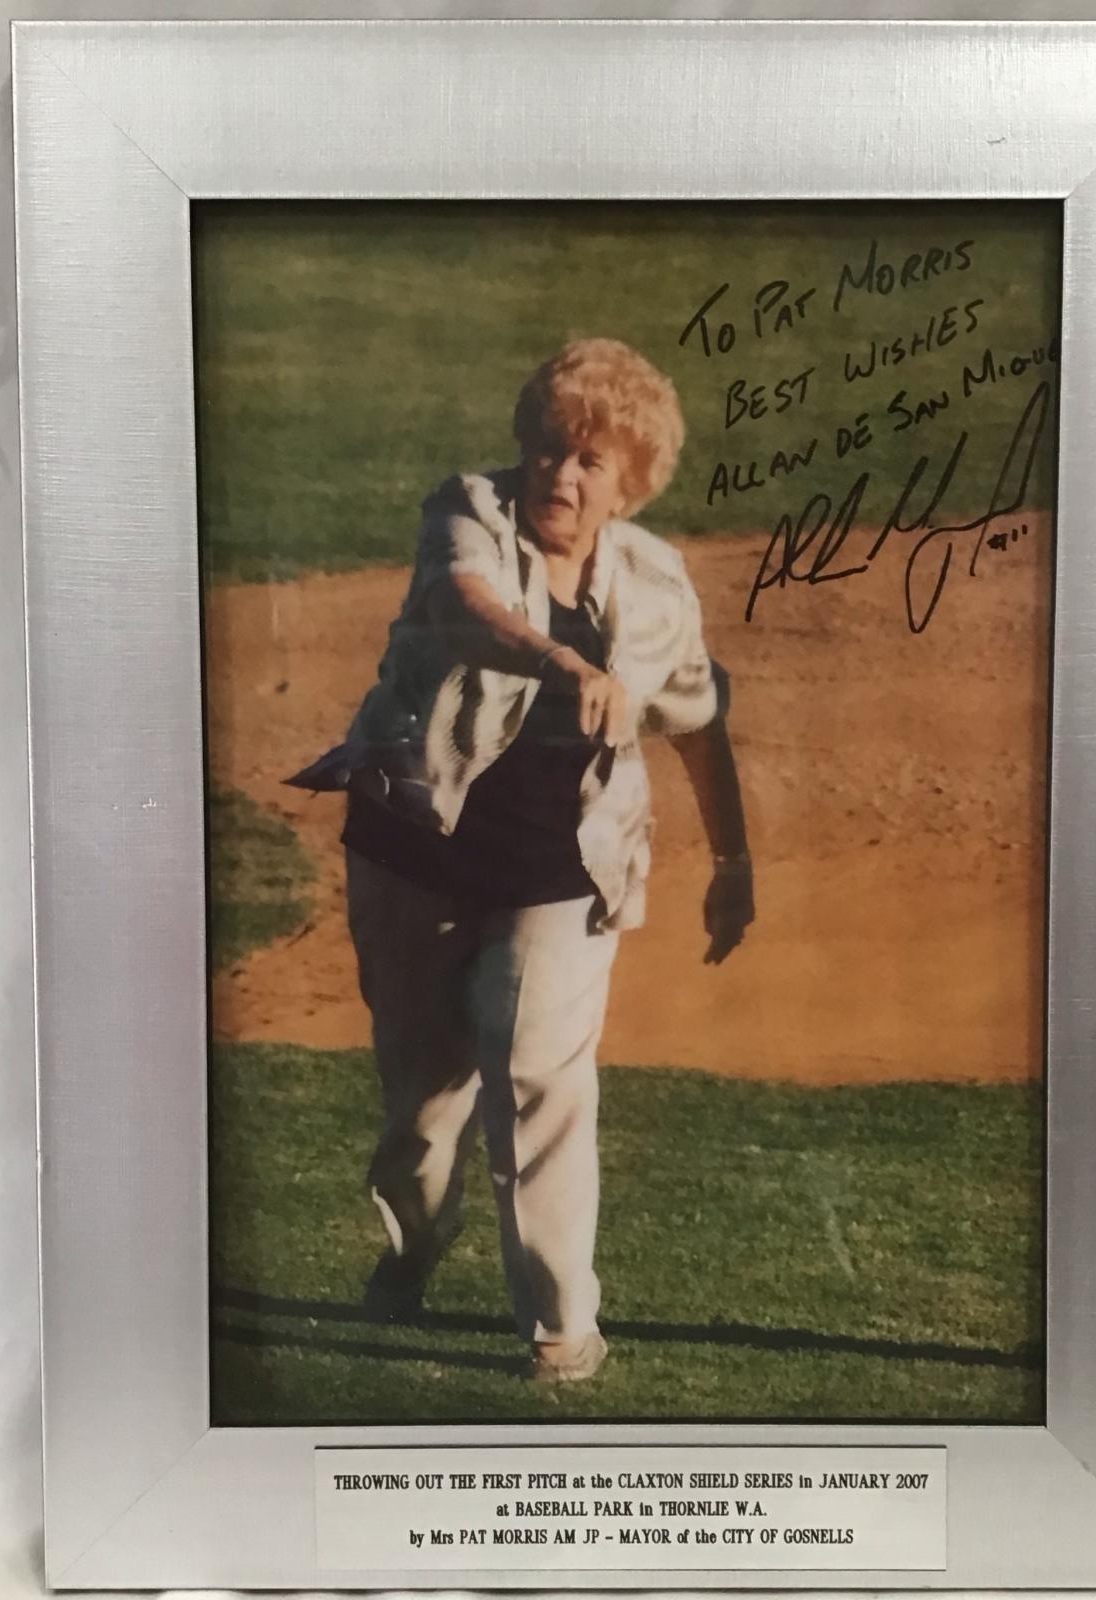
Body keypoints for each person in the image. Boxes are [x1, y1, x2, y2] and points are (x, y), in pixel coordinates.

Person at [288, 338, 753, 1382]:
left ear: (628, 482)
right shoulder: (468, 512)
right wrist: (559, 659)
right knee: (421, 1111)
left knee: (542, 1081)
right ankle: (414, 1244)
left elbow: (700, 720)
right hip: (415, 846)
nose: (560, 475)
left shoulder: (656, 583)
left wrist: (735, 863)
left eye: (590, 460)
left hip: (560, 867)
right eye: (548, 449)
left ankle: (559, 1327)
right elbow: (462, 607)